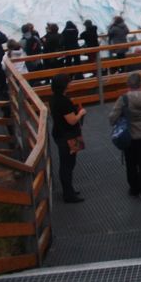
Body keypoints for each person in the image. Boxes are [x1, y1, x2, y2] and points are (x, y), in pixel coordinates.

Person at [109, 73, 141, 202]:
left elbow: (112, 117)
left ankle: (134, 189)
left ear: (128, 84)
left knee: (131, 164)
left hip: (129, 135)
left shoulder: (123, 99)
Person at [50, 73, 86, 203]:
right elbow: (72, 121)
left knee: (67, 164)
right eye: (69, 82)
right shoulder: (63, 101)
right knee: (68, 165)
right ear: (64, 85)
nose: (70, 84)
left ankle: (69, 189)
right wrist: (81, 113)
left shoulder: (54, 98)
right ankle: (68, 194)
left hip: (60, 134)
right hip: (69, 136)